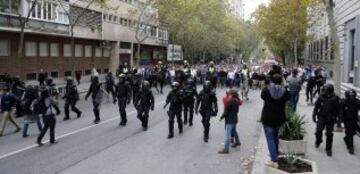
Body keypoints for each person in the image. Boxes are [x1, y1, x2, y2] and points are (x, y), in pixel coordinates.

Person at [260, 74, 290, 168]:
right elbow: (288, 98)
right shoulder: (285, 91)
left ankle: (274, 159)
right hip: (279, 117)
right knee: (275, 137)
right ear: (281, 81)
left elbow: (262, 96)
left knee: (270, 138)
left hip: (268, 117)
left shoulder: (266, 90)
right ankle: (275, 154)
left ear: (272, 80)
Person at [313, 84, 340, 157]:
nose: (324, 92)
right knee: (318, 131)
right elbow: (316, 106)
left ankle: (328, 149)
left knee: (329, 134)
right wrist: (314, 114)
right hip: (321, 117)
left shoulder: (335, 98)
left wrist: (338, 119)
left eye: (326, 91)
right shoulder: (321, 97)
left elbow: (338, 109)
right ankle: (318, 140)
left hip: (331, 119)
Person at [218, 89, 241, 154]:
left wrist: (221, 117)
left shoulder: (229, 101)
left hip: (229, 120)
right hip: (235, 119)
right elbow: (237, 111)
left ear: (230, 94)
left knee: (227, 135)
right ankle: (237, 141)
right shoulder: (236, 100)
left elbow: (226, 112)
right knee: (234, 131)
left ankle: (226, 149)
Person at [341, 89, 360, 154]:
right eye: (350, 96)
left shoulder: (357, 102)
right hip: (347, 120)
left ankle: (346, 138)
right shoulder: (344, 102)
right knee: (350, 133)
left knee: (353, 132)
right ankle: (350, 147)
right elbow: (340, 111)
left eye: (352, 96)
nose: (351, 97)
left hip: (354, 120)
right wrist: (339, 120)